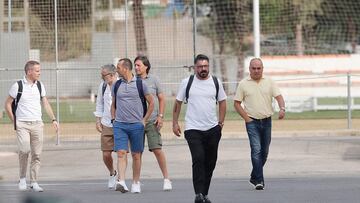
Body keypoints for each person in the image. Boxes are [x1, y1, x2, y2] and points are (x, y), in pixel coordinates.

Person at [172, 54, 227, 203]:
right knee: (198, 158)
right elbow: (177, 103)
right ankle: (198, 194)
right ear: (195, 67)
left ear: (209, 66)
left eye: (205, 66)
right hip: (193, 128)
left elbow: (222, 102)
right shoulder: (187, 82)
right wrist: (175, 123)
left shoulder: (216, 82)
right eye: (200, 66)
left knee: (211, 161)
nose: (203, 69)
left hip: (212, 128)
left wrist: (220, 124)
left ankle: (204, 193)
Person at [4, 60, 59, 192]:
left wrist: (53, 119)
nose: (39, 73)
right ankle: (22, 178)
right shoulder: (17, 86)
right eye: (37, 71)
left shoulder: (40, 85)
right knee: (24, 150)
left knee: (37, 154)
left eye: (39, 70)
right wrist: (14, 121)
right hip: (22, 124)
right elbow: (7, 104)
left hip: (37, 124)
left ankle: (34, 181)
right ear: (29, 71)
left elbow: (45, 103)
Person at [233, 58, 285, 190]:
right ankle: (259, 181)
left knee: (264, 152)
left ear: (262, 69)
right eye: (253, 68)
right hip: (252, 122)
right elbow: (237, 103)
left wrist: (282, 108)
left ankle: (254, 175)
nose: (256, 71)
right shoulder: (243, 84)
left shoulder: (269, 82)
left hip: (267, 121)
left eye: (259, 68)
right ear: (249, 69)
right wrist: (247, 118)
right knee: (256, 150)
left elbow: (279, 96)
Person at [111, 58, 154, 194]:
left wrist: (144, 120)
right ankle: (122, 181)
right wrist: (113, 119)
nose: (116, 70)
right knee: (121, 153)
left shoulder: (141, 84)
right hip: (120, 125)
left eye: (118, 67)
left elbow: (152, 103)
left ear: (125, 69)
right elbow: (113, 104)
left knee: (136, 155)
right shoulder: (116, 85)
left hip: (136, 125)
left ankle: (136, 182)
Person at [134, 55, 173, 191]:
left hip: (152, 121)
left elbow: (161, 99)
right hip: (136, 123)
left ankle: (167, 179)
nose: (136, 67)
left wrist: (161, 116)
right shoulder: (132, 81)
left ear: (146, 66)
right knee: (137, 153)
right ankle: (136, 182)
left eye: (139, 65)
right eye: (135, 65)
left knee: (157, 149)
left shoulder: (154, 80)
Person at [93, 64, 118, 189]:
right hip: (107, 123)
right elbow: (99, 104)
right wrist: (98, 121)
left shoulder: (121, 85)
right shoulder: (102, 86)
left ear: (112, 75)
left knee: (121, 153)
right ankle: (112, 173)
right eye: (101, 75)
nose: (102, 77)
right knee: (106, 154)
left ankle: (121, 179)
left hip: (120, 124)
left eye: (104, 75)